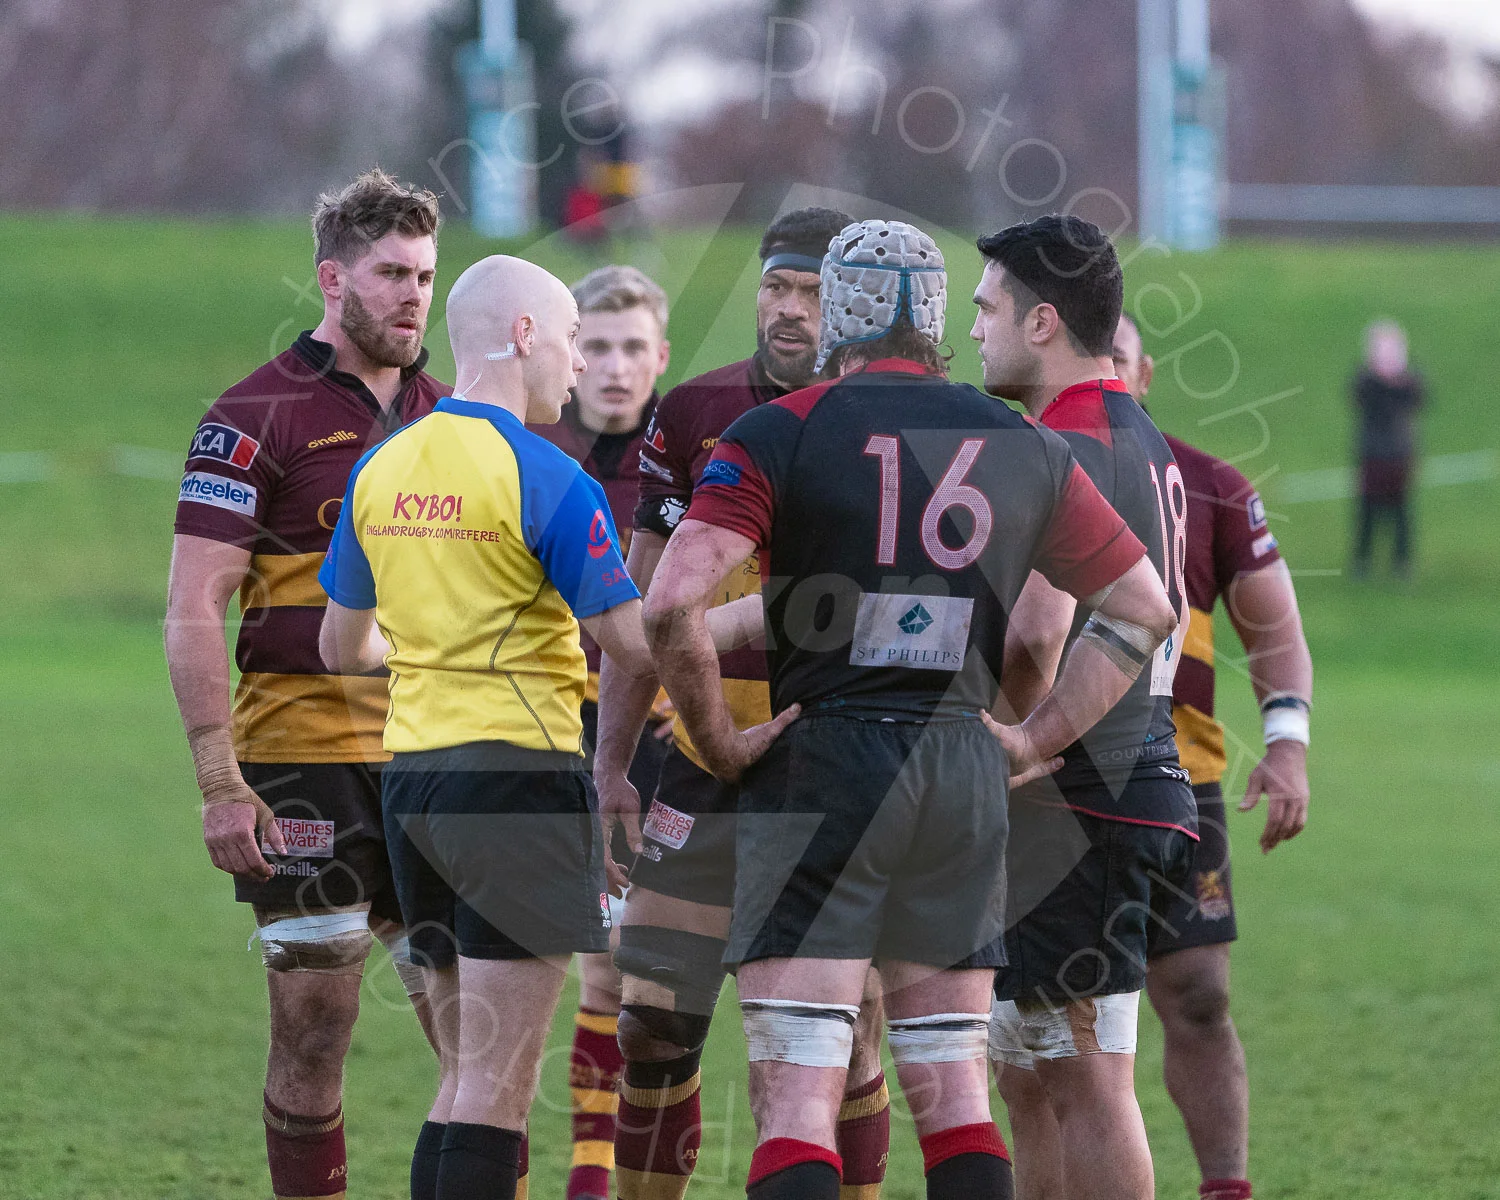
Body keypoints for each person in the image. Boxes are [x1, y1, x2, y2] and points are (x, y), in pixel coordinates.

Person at [643, 218, 1180, 1200]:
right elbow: (1145, 608)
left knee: (800, 1099)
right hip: (961, 777)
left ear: (840, 305)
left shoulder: (780, 429)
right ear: (932, 316)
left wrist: (719, 740)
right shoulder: (1022, 440)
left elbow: (673, 599)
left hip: (818, 768)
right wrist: (1035, 740)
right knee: (954, 1097)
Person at [316, 255, 761, 1200]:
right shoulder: (548, 476)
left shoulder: (380, 465)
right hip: (517, 781)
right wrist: (751, 616)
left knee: (461, 1077)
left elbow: (341, 648)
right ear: (523, 336)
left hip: (412, 786)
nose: (572, 364)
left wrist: (444, 641)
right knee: (496, 1091)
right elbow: (634, 646)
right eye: (566, 337)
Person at [593, 208, 895, 1200]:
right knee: (651, 1019)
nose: (788, 308)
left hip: (841, 761)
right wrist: (610, 764)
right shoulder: (690, 415)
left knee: (840, 1041)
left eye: (811, 291)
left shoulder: (889, 420)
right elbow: (643, 605)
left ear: (847, 302)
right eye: (775, 285)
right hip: (707, 761)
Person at [164, 168, 445, 1200]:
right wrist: (218, 779)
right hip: (300, 763)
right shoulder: (252, 416)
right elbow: (195, 603)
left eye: (424, 274)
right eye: (391, 274)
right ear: (333, 279)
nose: (414, 295)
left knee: (473, 1031)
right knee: (317, 1029)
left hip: (433, 759)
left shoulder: (453, 422)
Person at [971, 215, 1199, 1200]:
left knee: (1087, 1079)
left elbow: (1033, 637)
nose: (973, 328)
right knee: (1033, 1074)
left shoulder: (1059, 442)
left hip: (1086, 798)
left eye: (986, 309)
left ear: (1044, 321)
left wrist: (1024, 745)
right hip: (1125, 779)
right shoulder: (1139, 432)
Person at [1114, 313, 1313, 1200]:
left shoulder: (1211, 485)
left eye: (1118, 361)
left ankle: (1225, 1189)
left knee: (1197, 993)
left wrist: (1287, 746)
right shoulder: (1011, 469)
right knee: (1044, 1020)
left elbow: (1274, 630)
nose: (1106, 380)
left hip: (1177, 785)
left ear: (1144, 372)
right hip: (1033, 783)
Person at [530, 264, 676, 1200]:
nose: (616, 368)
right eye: (599, 347)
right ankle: (592, 1178)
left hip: (670, 735)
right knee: (604, 967)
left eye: (635, 348)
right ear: (572, 355)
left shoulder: (689, 460)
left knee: (653, 981)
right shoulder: (540, 458)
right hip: (567, 727)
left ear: (661, 356)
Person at [1351, 320, 1424, 578]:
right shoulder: (1366, 382)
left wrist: (1398, 381)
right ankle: (1362, 560)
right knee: (1367, 511)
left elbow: (1420, 399)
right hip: (1373, 454)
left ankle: (1401, 562)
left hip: (1399, 455)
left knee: (1401, 512)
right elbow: (1359, 397)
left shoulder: (1409, 383)